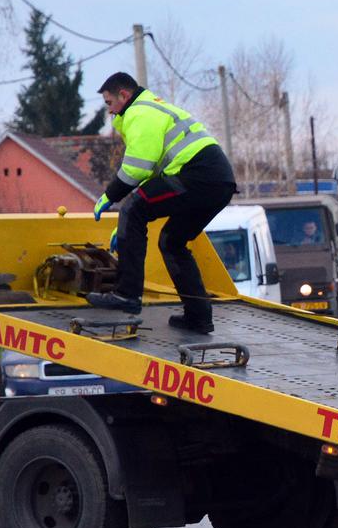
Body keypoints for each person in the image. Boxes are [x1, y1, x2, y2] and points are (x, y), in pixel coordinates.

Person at [85, 72, 237, 333]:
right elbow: (154, 176)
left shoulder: (140, 113)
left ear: (124, 95)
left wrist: (110, 196)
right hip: (219, 181)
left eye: (110, 103)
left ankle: (127, 294)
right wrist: (126, 230)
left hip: (197, 175)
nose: (109, 111)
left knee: (134, 208)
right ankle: (199, 317)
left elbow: (136, 169)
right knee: (171, 242)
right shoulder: (154, 108)